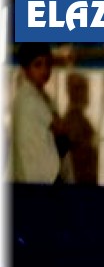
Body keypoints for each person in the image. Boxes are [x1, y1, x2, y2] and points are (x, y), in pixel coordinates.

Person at [11, 43, 71, 185]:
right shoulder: (29, 98)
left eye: (48, 64)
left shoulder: (39, 95)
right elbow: (60, 128)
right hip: (40, 177)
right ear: (25, 69)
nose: (45, 70)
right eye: (38, 65)